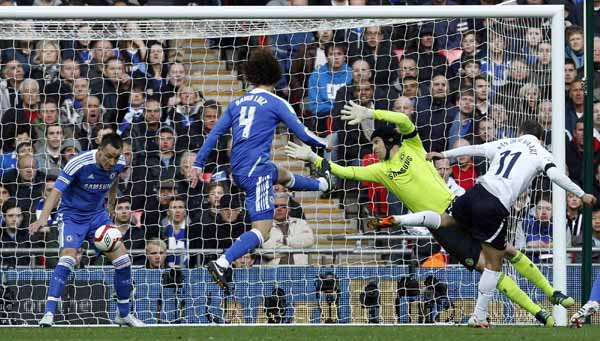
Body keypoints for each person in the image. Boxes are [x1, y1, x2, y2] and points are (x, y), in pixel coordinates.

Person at [285, 104, 569, 327]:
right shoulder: (380, 170)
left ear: (387, 140)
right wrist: (314, 159)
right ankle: (539, 313)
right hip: (441, 226)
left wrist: (370, 113)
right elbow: (346, 172)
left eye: (375, 144)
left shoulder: (412, 146)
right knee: (487, 265)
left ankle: (552, 292)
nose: (373, 149)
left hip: (459, 204)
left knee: (504, 249)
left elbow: (405, 121)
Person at [388, 120, 596, 327]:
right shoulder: (542, 153)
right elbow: (555, 176)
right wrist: (581, 194)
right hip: (494, 206)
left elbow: (475, 148)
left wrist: (444, 154)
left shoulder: (507, 142)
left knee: (445, 220)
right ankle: (480, 315)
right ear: (540, 139)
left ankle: (400, 219)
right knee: (494, 264)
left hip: (475, 193)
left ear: (520, 132)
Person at [190, 49, 332, 291]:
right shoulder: (277, 102)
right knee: (263, 231)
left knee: (282, 174)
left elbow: (214, 134)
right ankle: (222, 262)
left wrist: (197, 163)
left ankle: (323, 184)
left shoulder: (237, 103)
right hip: (257, 172)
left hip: (239, 170)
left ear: (251, 76)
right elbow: (301, 133)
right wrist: (326, 144)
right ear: (276, 77)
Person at [29, 133, 144, 327]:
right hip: (72, 216)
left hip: (97, 216)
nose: (112, 161)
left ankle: (123, 314)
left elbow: (114, 180)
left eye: (116, 157)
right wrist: (42, 218)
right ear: (99, 151)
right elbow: (56, 191)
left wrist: (112, 203)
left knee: (124, 261)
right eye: (108, 156)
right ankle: (48, 313)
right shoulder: (78, 163)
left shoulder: (119, 162)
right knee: (67, 259)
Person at [570, 205, 600, 327]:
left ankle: (593, 301)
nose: (597, 221)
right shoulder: (580, 239)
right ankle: (593, 301)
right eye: (594, 218)